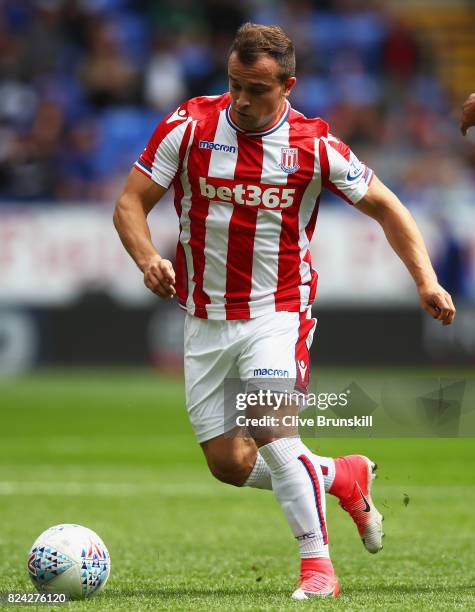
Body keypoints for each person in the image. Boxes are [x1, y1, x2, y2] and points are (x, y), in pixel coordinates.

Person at [113, 23, 456, 600]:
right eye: (234, 85)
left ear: (288, 86)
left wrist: (425, 279)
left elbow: (388, 207)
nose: (242, 100)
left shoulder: (314, 146)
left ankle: (317, 570)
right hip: (204, 318)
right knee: (228, 462)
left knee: (273, 429)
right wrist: (147, 257)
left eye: (257, 89)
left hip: (278, 311)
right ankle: (341, 475)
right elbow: (130, 203)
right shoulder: (189, 126)